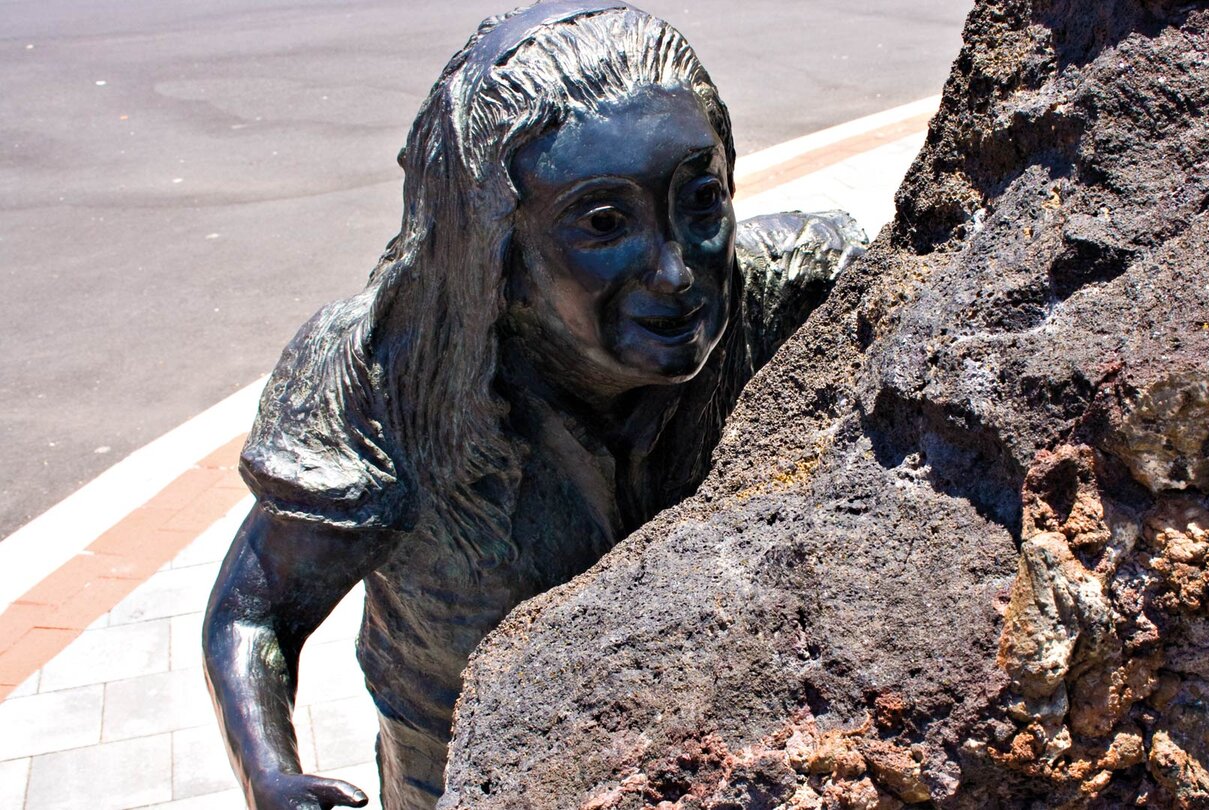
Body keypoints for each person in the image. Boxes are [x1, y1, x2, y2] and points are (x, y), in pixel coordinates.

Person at [202, 2, 865, 808]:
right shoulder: (386, 379)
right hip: (460, 774)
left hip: (714, 755)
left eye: (700, 201)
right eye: (603, 222)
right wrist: (268, 773)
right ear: (497, 248)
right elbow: (253, 611)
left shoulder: (802, 293)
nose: (674, 271)